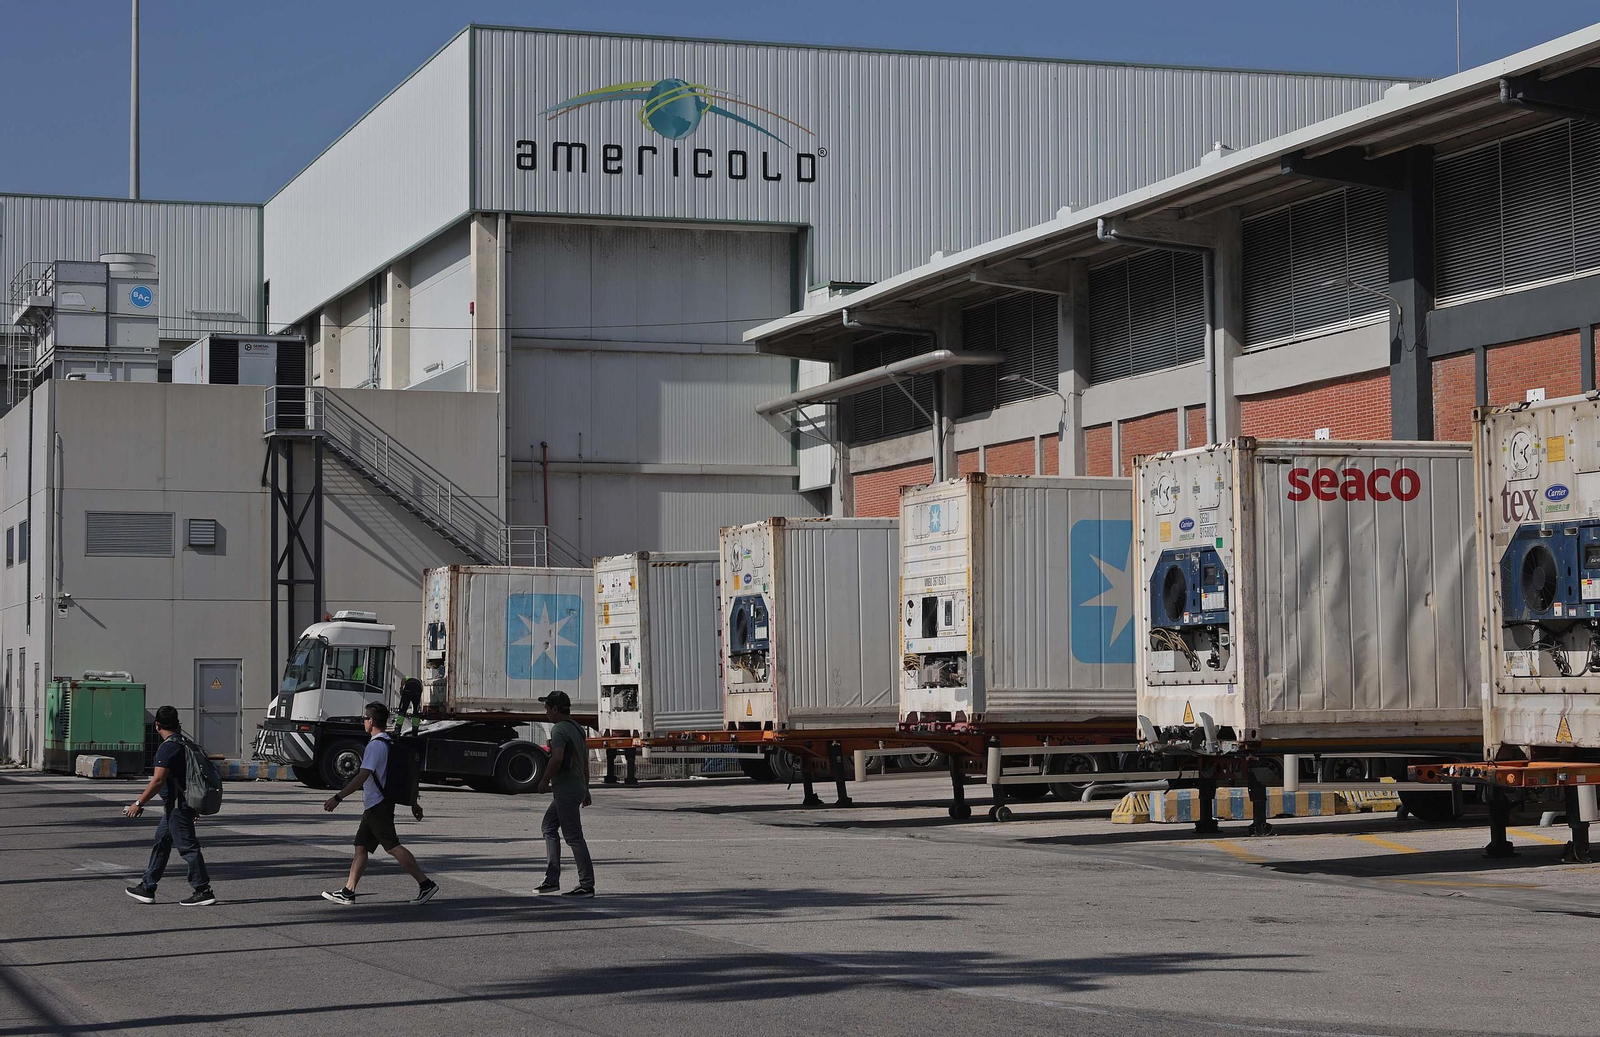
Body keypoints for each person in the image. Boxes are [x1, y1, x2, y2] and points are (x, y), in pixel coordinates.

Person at [320, 702, 438, 906]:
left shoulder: (375, 746)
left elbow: (362, 775)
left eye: (365, 718)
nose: (364, 722)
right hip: (376, 805)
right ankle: (348, 891)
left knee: (392, 846)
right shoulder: (387, 743)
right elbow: (404, 777)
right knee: (361, 847)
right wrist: (413, 803)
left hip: (378, 805)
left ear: (372, 721)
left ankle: (425, 884)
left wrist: (338, 797)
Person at [124, 705, 216, 906]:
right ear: (177, 724)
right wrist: (195, 807)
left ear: (157, 725)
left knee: (188, 847)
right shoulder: (184, 743)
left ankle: (203, 890)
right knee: (162, 843)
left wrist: (138, 803)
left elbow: (157, 780)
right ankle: (147, 887)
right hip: (180, 805)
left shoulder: (167, 747)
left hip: (177, 806)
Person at [535, 691, 595, 897]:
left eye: (547, 708)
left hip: (566, 790)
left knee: (573, 837)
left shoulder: (560, 729)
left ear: (555, 709)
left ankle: (586, 885)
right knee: (549, 827)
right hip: (575, 787)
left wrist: (544, 780)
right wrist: (586, 789)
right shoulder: (577, 728)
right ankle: (551, 879)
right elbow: (584, 762)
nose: (546, 713)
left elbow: (557, 758)